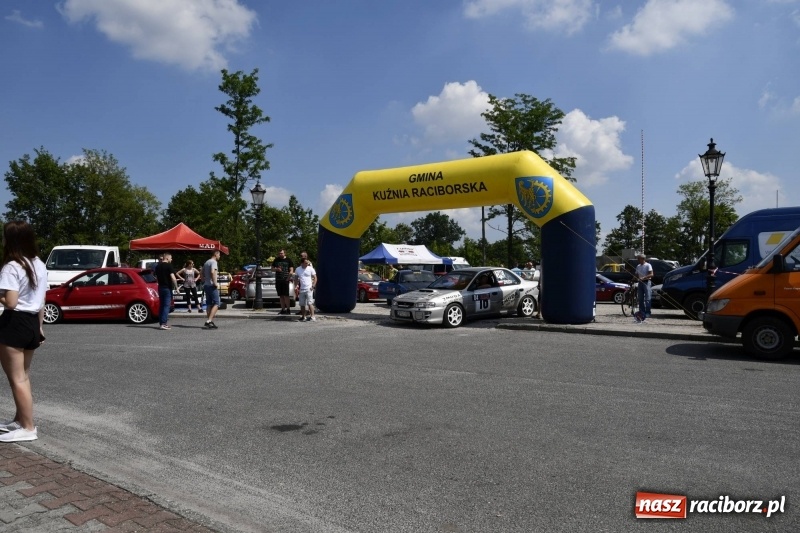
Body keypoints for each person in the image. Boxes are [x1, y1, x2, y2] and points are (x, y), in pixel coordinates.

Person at [0, 221, 48, 443]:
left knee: (16, 378)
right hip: (31, 322)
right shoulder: (38, 263)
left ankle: (28, 428)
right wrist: (39, 327)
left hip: (14, 322)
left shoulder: (12, 266)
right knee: (23, 376)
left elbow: (10, 302)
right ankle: (21, 420)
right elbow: (42, 300)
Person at [154, 253, 179, 330]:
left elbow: (156, 277)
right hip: (167, 288)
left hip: (160, 287)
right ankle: (164, 323)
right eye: (171, 258)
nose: (171, 260)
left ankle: (161, 322)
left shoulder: (157, 266)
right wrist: (177, 288)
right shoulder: (169, 266)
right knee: (166, 306)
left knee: (162, 305)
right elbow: (173, 278)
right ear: (167, 258)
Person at [294, 254, 317, 321]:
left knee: (310, 303)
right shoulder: (298, 269)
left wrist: (313, 286)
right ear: (302, 263)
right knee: (302, 303)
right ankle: (303, 316)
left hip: (309, 288)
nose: (307, 264)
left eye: (307, 263)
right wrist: (295, 286)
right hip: (302, 289)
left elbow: (315, 277)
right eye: (306, 263)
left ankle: (313, 316)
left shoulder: (310, 268)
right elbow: (296, 278)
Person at [202, 250, 221, 329]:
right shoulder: (214, 262)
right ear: (216, 254)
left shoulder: (206, 262)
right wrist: (215, 283)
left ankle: (209, 321)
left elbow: (201, 272)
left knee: (209, 304)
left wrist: (204, 280)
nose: (219, 256)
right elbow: (213, 272)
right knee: (217, 303)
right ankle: (209, 320)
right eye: (219, 255)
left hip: (206, 285)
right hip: (212, 285)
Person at [272, 249, 294, 315]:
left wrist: (288, 278)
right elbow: (272, 269)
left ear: (284, 253)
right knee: (281, 295)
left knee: (286, 295)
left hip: (285, 279)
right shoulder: (276, 260)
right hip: (278, 280)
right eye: (279, 253)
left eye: (282, 253)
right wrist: (276, 269)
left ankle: (288, 309)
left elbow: (291, 270)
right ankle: (283, 309)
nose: (280, 254)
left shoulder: (288, 260)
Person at [635, 253, 654, 322]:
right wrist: (635, 278)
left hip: (646, 282)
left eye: (639, 258)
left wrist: (644, 277)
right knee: (640, 298)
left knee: (647, 298)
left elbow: (651, 274)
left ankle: (648, 312)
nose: (638, 260)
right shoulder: (638, 266)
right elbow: (636, 274)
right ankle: (641, 312)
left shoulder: (648, 265)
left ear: (643, 259)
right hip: (640, 283)